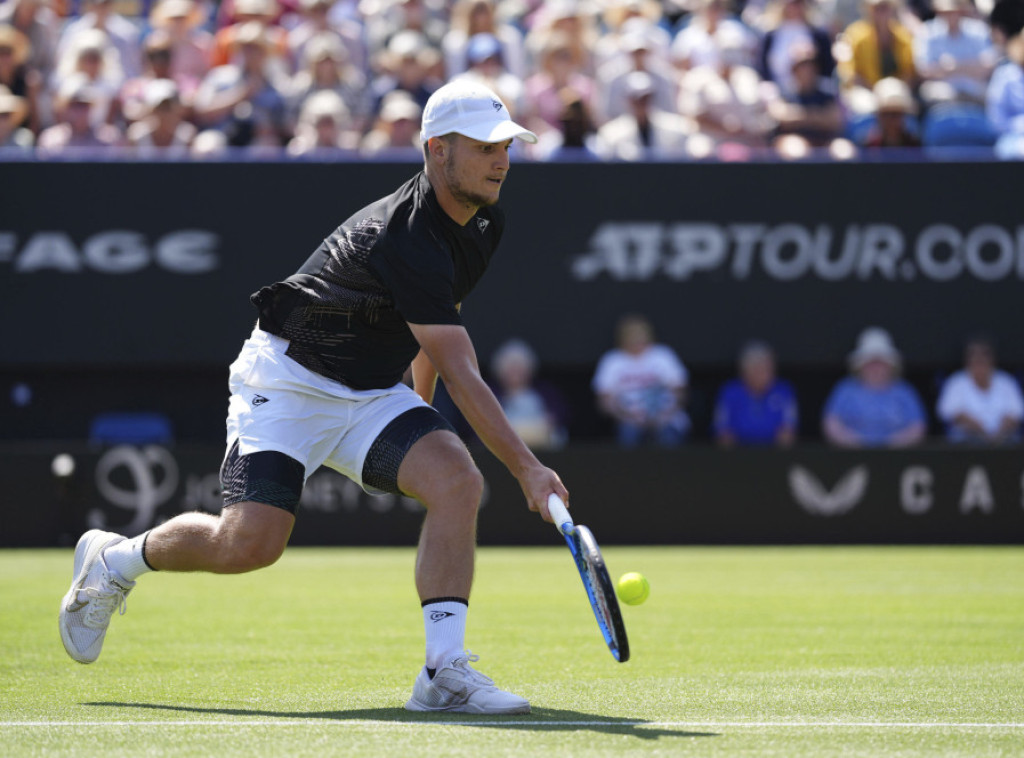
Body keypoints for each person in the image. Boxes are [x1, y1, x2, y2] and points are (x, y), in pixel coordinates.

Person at [59, 79, 566, 716]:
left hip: (372, 390)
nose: (502, 159)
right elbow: (464, 367)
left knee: (456, 480)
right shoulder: (402, 234)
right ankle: (116, 559)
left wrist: (420, 416)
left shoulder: (485, 220)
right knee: (248, 547)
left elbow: (437, 331)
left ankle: (443, 673)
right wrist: (528, 468)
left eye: (506, 145)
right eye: (485, 146)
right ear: (438, 150)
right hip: (288, 381)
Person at [592, 314, 690, 447]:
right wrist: (626, 416)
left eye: (641, 337)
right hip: (629, 420)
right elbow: (605, 401)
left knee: (670, 434)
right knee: (628, 434)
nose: (637, 342)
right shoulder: (612, 360)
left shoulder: (662, 355)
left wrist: (664, 414)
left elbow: (680, 391)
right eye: (632, 337)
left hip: (666, 418)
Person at [822, 327, 927, 448]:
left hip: (897, 457)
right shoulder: (845, 389)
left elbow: (917, 427)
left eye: (880, 363)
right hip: (851, 456)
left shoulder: (904, 391)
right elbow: (831, 424)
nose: (875, 368)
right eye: (870, 363)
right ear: (860, 366)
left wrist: (890, 445)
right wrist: (856, 443)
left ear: (891, 366)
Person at [937, 337, 1024, 444]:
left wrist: (998, 435)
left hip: (1003, 440)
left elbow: (1016, 413)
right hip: (967, 442)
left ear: (992, 358)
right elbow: (950, 412)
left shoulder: (1006, 381)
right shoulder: (956, 382)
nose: (979, 359)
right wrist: (982, 433)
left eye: (984, 354)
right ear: (967, 359)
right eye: (974, 355)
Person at [714, 340, 798, 447]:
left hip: (775, 455)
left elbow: (788, 430)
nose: (767, 374)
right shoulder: (730, 392)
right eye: (760, 369)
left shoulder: (783, 391)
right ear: (746, 371)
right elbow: (722, 432)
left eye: (769, 368)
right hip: (738, 456)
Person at [489, 338, 568, 450]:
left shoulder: (546, 392)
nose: (515, 373)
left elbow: (558, 416)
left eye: (519, 368)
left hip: (542, 447)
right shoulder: (490, 393)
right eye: (511, 369)